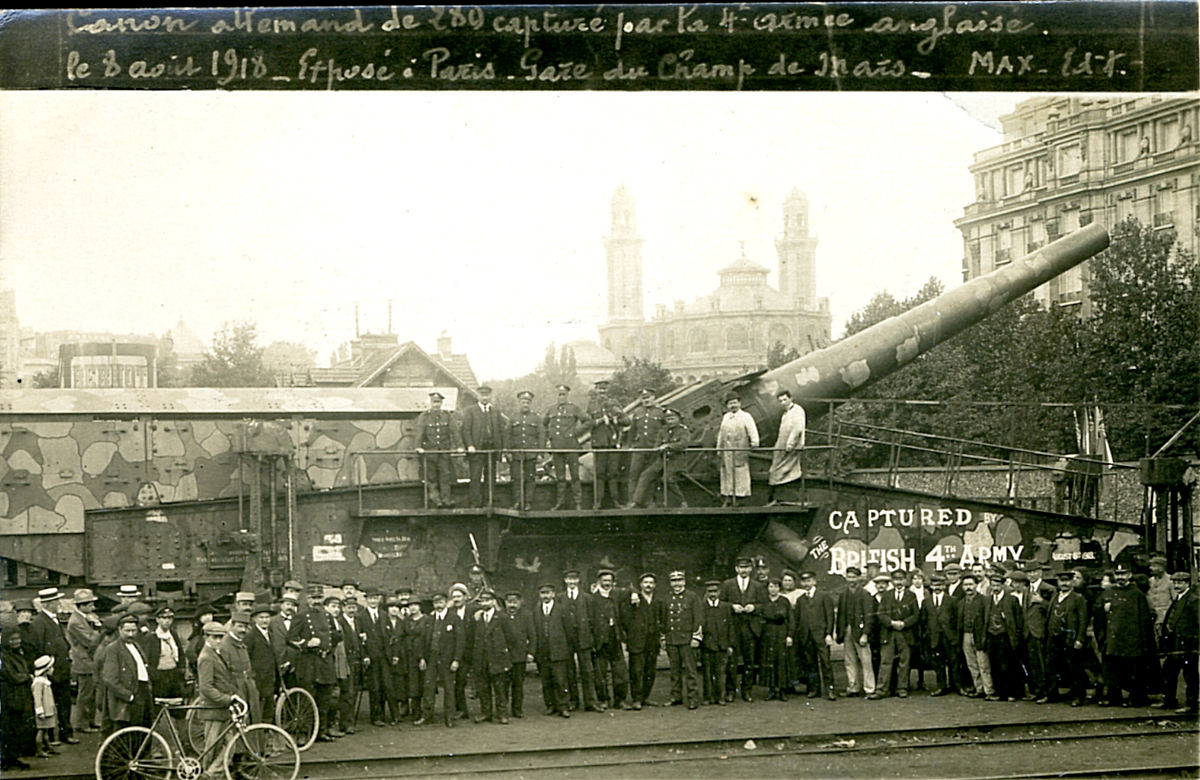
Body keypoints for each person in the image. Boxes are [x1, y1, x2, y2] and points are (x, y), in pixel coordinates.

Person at [1100, 562, 1157, 707]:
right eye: (1117, 574)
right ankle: (1114, 698)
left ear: (1129, 575)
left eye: (1123, 574)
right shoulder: (1108, 593)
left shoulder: (1136, 594)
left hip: (1131, 640)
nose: (1120, 577)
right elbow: (1099, 616)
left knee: (1133, 670)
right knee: (1112, 670)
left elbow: (1145, 618)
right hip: (1113, 638)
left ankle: (1136, 698)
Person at [196, 621, 248, 779]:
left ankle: (211, 775)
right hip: (213, 709)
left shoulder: (216, 654)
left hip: (221, 709)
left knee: (229, 746)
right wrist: (226, 699)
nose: (218, 641)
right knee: (211, 749)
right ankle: (208, 775)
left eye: (220, 637)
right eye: (215, 637)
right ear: (206, 637)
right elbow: (206, 688)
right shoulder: (206, 657)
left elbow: (223, 680)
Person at [288, 587, 339, 742]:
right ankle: (305, 732)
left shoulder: (328, 616)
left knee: (325, 699)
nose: (316, 601)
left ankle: (321, 731)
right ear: (307, 599)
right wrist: (306, 643)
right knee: (308, 699)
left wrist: (329, 648)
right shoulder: (301, 617)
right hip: (309, 663)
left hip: (325, 662)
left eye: (319, 597)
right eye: (313, 597)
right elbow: (291, 638)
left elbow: (335, 636)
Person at [25, 587, 76, 745]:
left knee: (63, 702)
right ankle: (56, 736)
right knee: (52, 704)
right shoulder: (40, 622)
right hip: (52, 669)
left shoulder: (53, 619)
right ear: (47, 604)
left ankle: (64, 733)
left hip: (61, 667)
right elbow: (38, 646)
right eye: (55, 601)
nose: (58, 603)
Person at [720, 556, 766, 702]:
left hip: (750, 628)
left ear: (751, 569)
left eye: (746, 567)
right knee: (731, 660)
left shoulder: (757, 586)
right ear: (736, 569)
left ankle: (747, 690)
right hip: (733, 627)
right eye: (741, 567)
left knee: (749, 660)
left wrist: (754, 607)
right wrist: (732, 607)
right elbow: (721, 603)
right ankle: (730, 691)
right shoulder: (728, 584)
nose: (744, 570)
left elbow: (764, 605)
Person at [417, 592, 464, 728]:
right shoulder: (429, 620)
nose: (438, 605)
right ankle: (427, 715)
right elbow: (422, 640)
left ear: (446, 603)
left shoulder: (454, 618)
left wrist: (456, 660)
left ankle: (449, 717)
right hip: (431, 657)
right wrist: (422, 658)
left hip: (448, 659)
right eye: (436, 603)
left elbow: (461, 641)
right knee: (428, 687)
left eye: (441, 602)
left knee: (449, 688)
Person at [627, 407, 690, 508]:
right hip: (661, 460)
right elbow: (657, 445)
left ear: (678, 419)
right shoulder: (662, 431)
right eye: (668, 419)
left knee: (668, 478)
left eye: (672, 419)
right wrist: (658, 448)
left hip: (676, 461)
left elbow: (684, 443)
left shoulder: (683, 431)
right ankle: (636, 501)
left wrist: (668, 446)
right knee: (645, 475)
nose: (670, 421)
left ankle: (682, 502)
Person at [871, 570, 919, 699]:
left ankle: (902, 688)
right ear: (892, 581)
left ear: (905, 580)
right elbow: (880, 613)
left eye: (901, 579)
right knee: (886, 661)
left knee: (904, 661)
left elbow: (916, 615)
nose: (899, 582)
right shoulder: (886, 595)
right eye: (896, 579)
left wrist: (904, 623)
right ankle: (882, 689)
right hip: (889, 633)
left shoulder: (911, 595)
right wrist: (891, 622)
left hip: (905, 633)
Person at [471, 590, 517, 724]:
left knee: (500, 689)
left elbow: (511, 638)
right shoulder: (477, 618)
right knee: (483, 688)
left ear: (493, 601)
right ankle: (486, 713)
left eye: (488, 600)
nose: (485, 603)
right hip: (482, 659)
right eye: (482, 601)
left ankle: (502, 714)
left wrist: (506, 656)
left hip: (498, 659)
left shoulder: (502, 617)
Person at [1155, 572, 1198, 714]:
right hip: (1175, 645)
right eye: (1174, 583)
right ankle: (1169, 700)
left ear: (1187, 584)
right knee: (1169, 672)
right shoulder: (1178, 599)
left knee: (1190, 676)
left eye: (1180, 583)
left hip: (1187, 645)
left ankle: (1191, 704)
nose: (1176, 586)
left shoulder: (1193, 600)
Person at [1044, 572, 1089, 706]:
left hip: (1070, 637)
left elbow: (1083, 620)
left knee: (1073, 668)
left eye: (1067, 581)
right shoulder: (1055, 596)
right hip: (1054, 637)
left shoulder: (1078, 598)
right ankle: (1052, 695)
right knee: (1051, 666)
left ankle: (1078, 696)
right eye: (1061, 581)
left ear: (1072, 582)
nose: (1064, 583)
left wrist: (1080, 639)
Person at [589, 569, 631, 710]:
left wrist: (636, 593)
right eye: (604, 580)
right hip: (599, 640)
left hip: (615, 637)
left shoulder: (617, 594)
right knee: (600, 673)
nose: (607, 583)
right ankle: (603, 700)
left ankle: (620, 700)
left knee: (620, 671)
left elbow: (631, 589)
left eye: (609, 581)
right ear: (599, 581)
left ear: (613, 582)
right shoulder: (592, 598)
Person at [560, 569, 601, 712]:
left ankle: (591, 701)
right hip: (567, 639)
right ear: (565, 580)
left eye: (574, 579)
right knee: (569, 671)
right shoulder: (560, 598)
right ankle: (573, 701)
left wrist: (593, 639)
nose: (572, 582)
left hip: (584, 638)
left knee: (587, 671)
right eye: (569, 579)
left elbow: (593, 620)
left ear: (578, 580)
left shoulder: (587, 598)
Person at [104, 614, 154, 729]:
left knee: (145, 728)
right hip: (129, 697)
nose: (131, 634)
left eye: (133, 630)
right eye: (127, 631)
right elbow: (109, 679)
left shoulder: (136, 645)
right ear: (119, 630)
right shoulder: (113, 649)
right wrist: (129, 696)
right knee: (129, 733)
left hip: (143, 691)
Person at [544, 384, 591, 510]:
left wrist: (576, 433)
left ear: (567, 395)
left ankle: (578, 503)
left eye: (563, 394)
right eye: (559, 394)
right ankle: (560, 503)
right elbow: (543, 425)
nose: (561, 397)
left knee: (575, 475)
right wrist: (550, 436)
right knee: (560, 477)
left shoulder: (574, 408)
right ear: (556, 395)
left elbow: (588, 421)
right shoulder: (551, 410)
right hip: (557, 447)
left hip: (571, 446)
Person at [414, 390, 463, 508]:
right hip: (430, 452)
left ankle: (446, 499)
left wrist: (460, 446)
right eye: (434, 402)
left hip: (443, 451)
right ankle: (436, 501)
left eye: (438, 402)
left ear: (441, 403)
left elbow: (454, 431)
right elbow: (420, 433)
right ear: (430, 403)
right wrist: (418, 446)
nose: (436, 405)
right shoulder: (424, 416)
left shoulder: (447, 416)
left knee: (445, 475)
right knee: (431, 477)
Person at [620, 573, 662, 710]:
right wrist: (630, 634)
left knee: (650, 671)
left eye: (651, 582)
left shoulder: (657, 601)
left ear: (654, 585)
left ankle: (645, 697)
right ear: (641, 585)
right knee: (636, 671)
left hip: (652, 641)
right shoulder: (633, 599)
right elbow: (624, 618)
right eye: (645, 582)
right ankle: (636, 699)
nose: (648, 585)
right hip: (637, 641)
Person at [460, 385, 506, 508]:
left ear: (490, 396)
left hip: (492, 449)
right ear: (478, 396)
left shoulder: (495, 411)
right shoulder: (470, 411)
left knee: (490, 477)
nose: (485, 398)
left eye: (487, 395)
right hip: (477, 450)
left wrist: (501, 449)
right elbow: (465, 430)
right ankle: (475, 503)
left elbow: (501, 430)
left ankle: (489, 501)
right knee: (475, 477)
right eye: (482, 395)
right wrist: (470, 445)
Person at [1, 612, 37, 769]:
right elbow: (11, 675)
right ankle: (6, 759)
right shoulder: (3, 656)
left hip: (19, 696)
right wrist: (27, 677)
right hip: (8, 695)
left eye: (18, 639)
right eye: (13, 639)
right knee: (8, 727)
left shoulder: (16, 653)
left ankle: (13, 757)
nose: (17, 642)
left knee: (17, 727)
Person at [531, 583, 572, 718]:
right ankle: (550, 705)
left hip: (559, 651)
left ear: (553, 594)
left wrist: (566, 648)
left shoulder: (562, 609)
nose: (545, 596)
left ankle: (563, 706)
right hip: (543, 652)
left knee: (560, 680)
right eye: (543, 593)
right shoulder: (536, 611)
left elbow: (569, 630)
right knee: (546, 680)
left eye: (548, 593)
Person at [796, 571, 837, 700]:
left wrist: (829, 634)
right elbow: (798, 619)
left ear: (814, 581)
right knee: (810, 664)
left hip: (821, 635)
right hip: (806, 636)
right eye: (804, 581)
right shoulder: (801, 599)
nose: (806, 584)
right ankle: (815, 689)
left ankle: (830, 689)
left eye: (809, 581)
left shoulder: (823, 596)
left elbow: (829, 616)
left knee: (826, 663)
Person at [66, 588, 102, 734]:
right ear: (81, 606)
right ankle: (81, 723)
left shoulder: (85, 617)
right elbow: (91, 640)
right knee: (85, 694)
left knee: (91, 693)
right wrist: (98, 627)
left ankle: (90, 721)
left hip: (89, 661)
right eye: (89, 604)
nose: (92, 607)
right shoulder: (75, 622)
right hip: (84, 662)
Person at [837, 566, 876, 699]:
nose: (851, 580)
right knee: (849, 661)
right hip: (847, 630)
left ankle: (869, 688)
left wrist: (865, 633)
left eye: (854, 577)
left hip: (860, 631)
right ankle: (853, 687)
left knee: (866, 660)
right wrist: (840, 632)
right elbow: (841, 615)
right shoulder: (843, 594)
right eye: (849, 577)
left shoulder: (865, 594)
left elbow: (869, 616)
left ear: (859, 578)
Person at [958, 573, 996, 701]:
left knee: (983, 664)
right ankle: (979, 688)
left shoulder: (984, 600)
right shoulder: (961, 602)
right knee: (972, 664)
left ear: (976, 585)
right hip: (966, 635)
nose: (968, 587)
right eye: (965, 585)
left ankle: (989, 690)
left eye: (971, 584)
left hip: (979, 636)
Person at [716, 394, 759, 506]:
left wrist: (755, 442)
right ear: (727, 406)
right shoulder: (726, 417)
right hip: (727, 450)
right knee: (727, 473)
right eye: (730, 403)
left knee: (740, 472)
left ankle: (740, 498)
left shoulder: (746, 416)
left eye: (735, 403)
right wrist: (719, 448)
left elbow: (752, 430)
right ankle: (729, 496)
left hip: (740, 448)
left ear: (739, 403)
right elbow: (721, 433)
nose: (733, 405)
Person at [625, 389, 665, 502]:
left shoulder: (660, 412)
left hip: (654, 449)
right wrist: (631, 445)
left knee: (651, 476)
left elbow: (665, 430)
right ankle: (632, 501)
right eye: (643, 398)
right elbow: (632, 431)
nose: (646, 400)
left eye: (648, 397)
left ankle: (650, 501)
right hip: (639, 448)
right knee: (634, 475)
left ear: (654, 397)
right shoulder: (638, 412)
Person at [767, 389, 806, 505]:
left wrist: (790, 444)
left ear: (790, 398)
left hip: (791, 447)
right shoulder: (786, 414)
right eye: (781, 401)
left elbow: (797, 428)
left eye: (785, 400)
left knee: (780, 470)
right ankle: (777, 497)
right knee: (776, 469)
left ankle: (781, 497)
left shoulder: (797, 411)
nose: (783, 403)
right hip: (782, 445)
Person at [507, 390, 543, 510]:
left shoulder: (536, 418)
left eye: (527, 402)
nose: (525, 404)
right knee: (516, 478)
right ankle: (517, 501)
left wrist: (540, 453)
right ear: (519, 402)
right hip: (516, 453)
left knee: (530, 479)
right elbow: (508, 435)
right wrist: (508, 452)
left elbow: (541, 435)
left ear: (530, 403)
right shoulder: (513, 418)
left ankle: (528, 502)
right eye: (523, 402)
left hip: (531, 454)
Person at [591, 401, 629, 509]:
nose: (602, 392)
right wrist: (600, 420)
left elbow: (627, 421)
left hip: (613, 445)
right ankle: (598, 501)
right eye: (600, 389)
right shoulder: (592, 406)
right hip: (599, 445)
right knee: (599, 474)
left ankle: (615, 500)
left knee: (613, 473)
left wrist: (616, 420)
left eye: (604, 389)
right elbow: (588, 423)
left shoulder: (614, 405)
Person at [142, 606, 186, 700]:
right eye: (164, 618)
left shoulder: (173, 635)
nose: (167, 621)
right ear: (157, 620)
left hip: (174, 675)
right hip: (160, 677)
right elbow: (147, 659)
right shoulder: (152, 637)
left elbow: (180, 652)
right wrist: (154, 675)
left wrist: (181, 669)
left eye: (170, 618)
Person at [503, 591, 535, 718]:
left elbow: (532, 635)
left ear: (520, 603)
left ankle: (517, 709)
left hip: (520, 656)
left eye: (515, 602)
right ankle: (503, 709)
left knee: (518, 684)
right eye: (509, 602)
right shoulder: (501, 616)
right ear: (505, 603)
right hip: (504, 657)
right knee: (504, 685)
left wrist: (531, 652)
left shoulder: (527, 615)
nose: (512, 605)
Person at [924, 573, 957, 696]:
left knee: (953, 661)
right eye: (934, 585)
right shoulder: (926, 602)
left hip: (949, 636)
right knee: (938, 663)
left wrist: (954, 635)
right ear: (931, 587)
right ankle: (941, 686)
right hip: (934, 637)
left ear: (944, 586)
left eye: (940, 585)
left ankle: (957, 686)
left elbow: (955, 619)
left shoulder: (951, 600)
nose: (937, 587)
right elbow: (924, 620)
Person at [759, 578, 792, 701]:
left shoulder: (784, 601)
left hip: (781, 631)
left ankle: (782, 689)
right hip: (768, 633)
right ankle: (771, 689)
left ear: (779, 588)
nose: (773, 589)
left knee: (781, 660)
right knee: (769, 659)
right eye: (771, 587)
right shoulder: (764, 601)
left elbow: (791, 619)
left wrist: (789, 635)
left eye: (776, 587)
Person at [246, 604, 279, 725]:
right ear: (255, 619)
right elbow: (247, 658)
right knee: (257, 710)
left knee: (268, 709)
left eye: (267, 617)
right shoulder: (251, 636)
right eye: (261, 617)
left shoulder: (270, 634)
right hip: (258, 679)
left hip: (269, 678)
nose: (265, 620)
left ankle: (266, 736)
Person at [404, 598, 430, 722]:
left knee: (424, 683)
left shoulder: (427, 620)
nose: (413, 608)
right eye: (410, 606)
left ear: (420, 606)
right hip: (409, 655)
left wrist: (423, 657)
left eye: (415, 605)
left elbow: (428, 639)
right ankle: (415, 711)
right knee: (413, 683)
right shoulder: (406, 621)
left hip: (422, 654)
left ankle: (426, 713)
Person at [32, 655, 58, 758]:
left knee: (46, 730)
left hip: (48, 710)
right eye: (51, 668)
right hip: (43, 712)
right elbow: (37, 698)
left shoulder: (45, 680)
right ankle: (39, 750)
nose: (53, 669)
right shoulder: (39, 683)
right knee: (41, 731)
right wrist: (39, 711)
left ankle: (48, 746)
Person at [1147, 556, 1173, 631]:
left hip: (1165, 617)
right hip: (1152, 617)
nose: (1151, 568)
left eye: (1154, 566)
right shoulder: (1149, 581)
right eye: (1151, 565)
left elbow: (1175, 599)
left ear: (1162, 567)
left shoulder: (1170, 581)